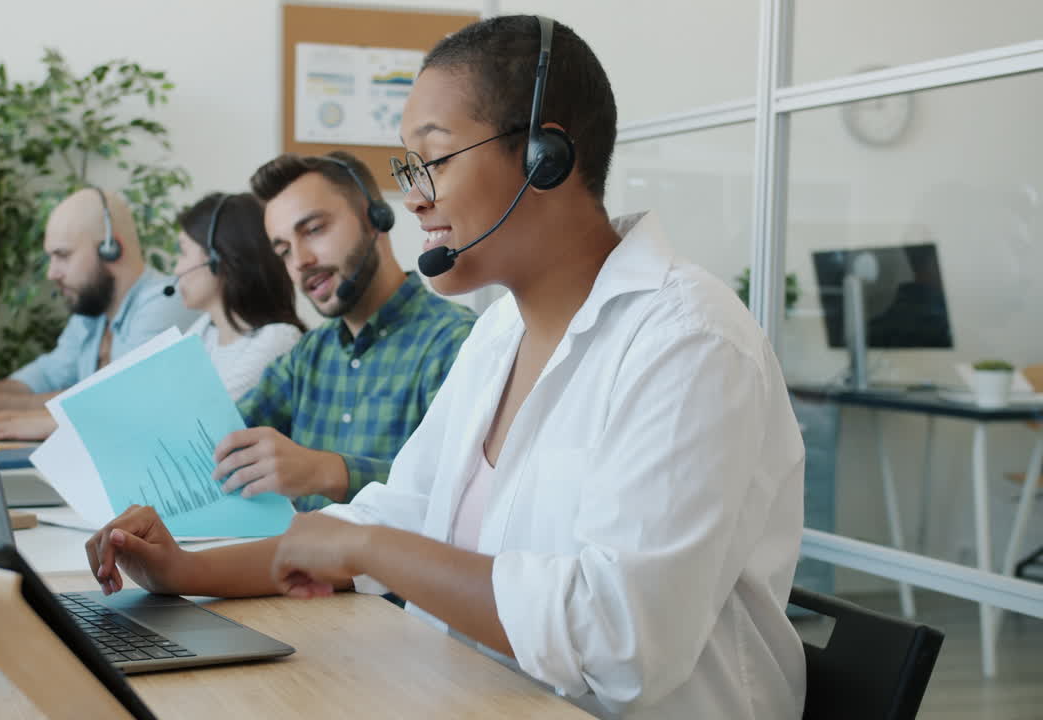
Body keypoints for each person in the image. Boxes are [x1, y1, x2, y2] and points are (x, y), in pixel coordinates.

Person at [87, 15, 806, 720]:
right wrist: (187, 573)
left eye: (435, 158)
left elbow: (615, 646)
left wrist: (369, 547)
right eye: (407, 167)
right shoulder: (499, 336)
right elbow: (390, 514)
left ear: (544, 159)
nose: (414, 195)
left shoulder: (690, 344)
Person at [209, 150, 477, 510]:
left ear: (377, 219)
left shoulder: (458, 343)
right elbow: (219, 439)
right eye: (284, 250)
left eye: (314, 230)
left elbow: (462, 500)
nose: (301, 261)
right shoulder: (308, 355)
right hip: (291, 564)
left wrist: (330, 471)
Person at [0, 188, 196, 437]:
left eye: (62, 255)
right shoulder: (92, 313)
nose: (52, 273)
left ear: (112, 249)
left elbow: (112, 405)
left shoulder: (165, 301)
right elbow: (46, 377)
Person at [172, 192, 306, 401]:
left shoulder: (277, 339)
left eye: (183, 252)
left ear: (217, 258)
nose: (177, 270)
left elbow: (208, 420)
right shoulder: (204, 331)